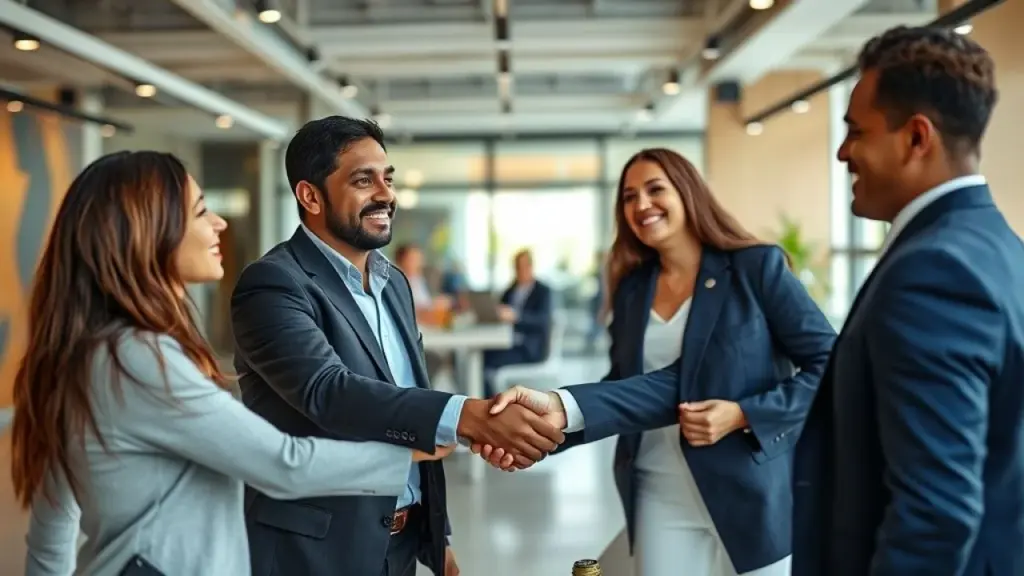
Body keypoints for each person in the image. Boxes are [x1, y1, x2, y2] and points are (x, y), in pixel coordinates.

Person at [8, 151, 452, 576]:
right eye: (201, 212)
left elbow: (53, 527)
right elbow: (285, 463)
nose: (219, 223)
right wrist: (426, 439)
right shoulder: (138, 359)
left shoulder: (88, 352)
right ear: (149, 231)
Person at [476, 148, 836, 575]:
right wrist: (541, 435)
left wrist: (743, 414)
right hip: (657, 489)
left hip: (751, 491)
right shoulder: (632, 289)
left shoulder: (755, 268)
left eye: (654, 189)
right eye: (629, 197)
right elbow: (623, 386)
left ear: (688, 193)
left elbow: (830, 365)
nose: (641, 204)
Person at [229, 116, 564, 576]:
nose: (385, 194)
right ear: (310, 196)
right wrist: (466, 417)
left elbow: (404, 393)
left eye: (387, 178)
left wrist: (435, 535)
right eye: (363, 180)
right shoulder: (272, 284)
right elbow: (328, 392)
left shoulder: (394, 284)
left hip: (402, 542)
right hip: (315, 550)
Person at [790, 26, 1024, 576]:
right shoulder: (1000, 247)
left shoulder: (932, 273)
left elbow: (934, 514)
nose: (844, 152)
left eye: (855, 132)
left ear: (917, 138)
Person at [483, 249, 554, 396]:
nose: (520, 271)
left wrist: (516, 317)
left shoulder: (543, 291)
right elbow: (498, 311)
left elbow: (543, 321)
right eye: (517, 267)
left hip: (529, 349)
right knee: (480, 357)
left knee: (486, 362)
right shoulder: (510, 290)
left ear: (531, 267)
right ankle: (484, 400)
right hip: (507, 343)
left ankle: (491, 402)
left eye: (523, 266)